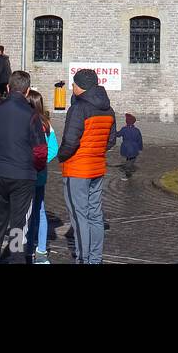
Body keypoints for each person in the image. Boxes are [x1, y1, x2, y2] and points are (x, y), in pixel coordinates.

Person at [0, 70, 47, 264]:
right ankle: (16, 259)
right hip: (23, 176)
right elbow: (41, 150)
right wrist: (36, 168)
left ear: (8, 88)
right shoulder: (32, 116)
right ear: (27, 90)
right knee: (18, 223)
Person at [56, 68, 117, 264]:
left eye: (74, 84)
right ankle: (95, 258)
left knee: (79, 216)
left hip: (77, 169)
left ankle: (84, 258)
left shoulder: (79, 109)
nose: (72, 87)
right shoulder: (108, 109)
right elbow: (111, 140)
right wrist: (96, 151)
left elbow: (70, 141)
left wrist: (61, 156)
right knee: (95, 214)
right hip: (97, 167)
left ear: (81, 87)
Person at [24, 89, 60, 264]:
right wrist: (41, 161)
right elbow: (53, 149)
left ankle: (24, 248)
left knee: (21, 214)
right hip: (40, 174)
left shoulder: (27, 121)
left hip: (25, 174)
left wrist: (32, 161)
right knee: (40, 212)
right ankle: (41, 250)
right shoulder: (46, 123)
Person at [113, 113, 143, 181]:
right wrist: (140, 148)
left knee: (128, 159)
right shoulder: (137, 130)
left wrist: (113, 130)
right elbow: (140, 140)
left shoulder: (124, 129)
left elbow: (118, 135)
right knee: (131, 160)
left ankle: (128, 171)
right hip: (134, 147)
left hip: (125, 147)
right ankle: (128, 173)